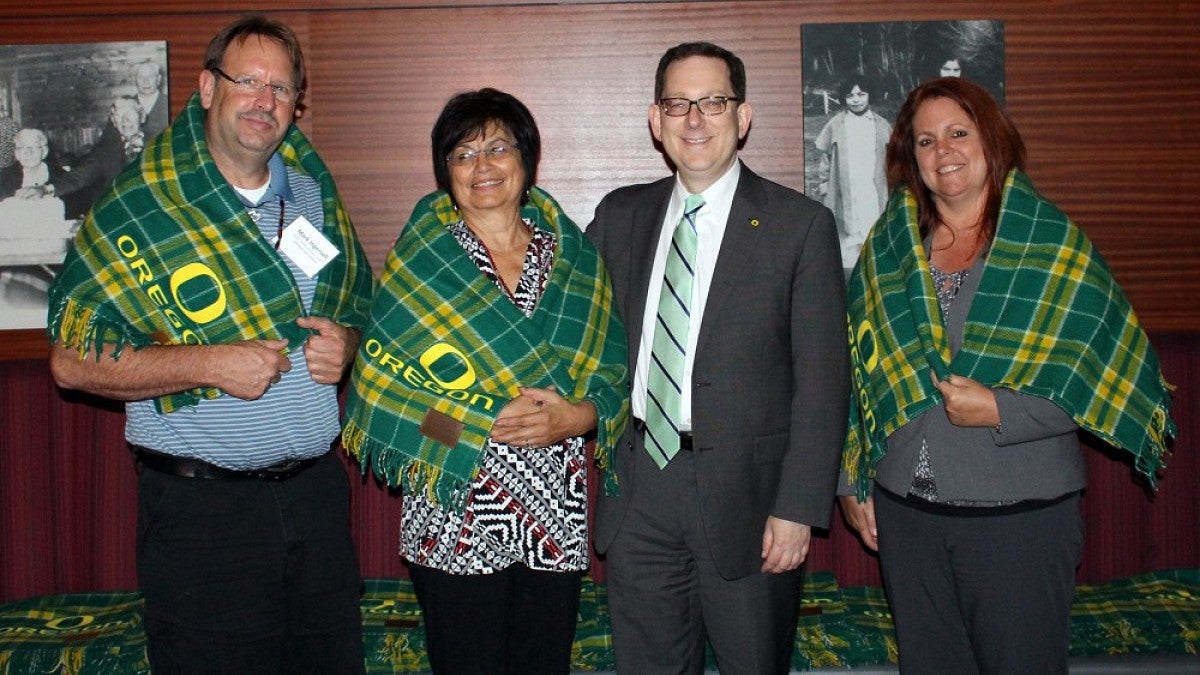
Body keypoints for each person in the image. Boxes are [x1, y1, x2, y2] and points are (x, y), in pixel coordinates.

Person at [47, 15, 375, 674]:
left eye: (282, 89)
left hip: (314, 502)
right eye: (248, 81)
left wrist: (348, 345)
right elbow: (69, 360)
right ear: (205, 88)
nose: (265, 101)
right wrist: (208, 363)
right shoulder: (143, 204)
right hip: (204, 516)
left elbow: (356, 311)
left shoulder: (311, 195)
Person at [838, 77, 1176, 674]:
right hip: (907, 514)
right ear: (909, 159)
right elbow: (856, 370)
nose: (943, 151)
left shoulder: (1047, 243)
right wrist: (852, 479)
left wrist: (1002, 409)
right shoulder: (889, 245)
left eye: (958, 133)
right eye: (925, 140)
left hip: (1019, 519)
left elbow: (1103, 375)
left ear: (992, 141)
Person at [341, 88, 629, 675]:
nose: (483, 166)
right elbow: (380, 398)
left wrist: (575, 418)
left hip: (554, 511)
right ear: (444, 172)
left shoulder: (573, 254)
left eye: (498, 147)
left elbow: (613, 374)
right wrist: (471, 428)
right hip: (454, 512)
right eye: (463, 154)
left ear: (527, 159)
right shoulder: (423, 258)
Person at [586, 42, 849, 674]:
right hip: (640, 489)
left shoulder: (799, 225)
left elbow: (822, 383)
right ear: (657, 120)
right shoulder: (621, 215)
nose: (695, 120)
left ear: (743, 116)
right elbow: (567, 323)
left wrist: (798, 507)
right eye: (678, 103)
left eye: (713, 102)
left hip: (752, 503)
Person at [814, 75, 891, 277]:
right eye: (850, 95)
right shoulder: (836, 124)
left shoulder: (881, 125)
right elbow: (826, 160)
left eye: (861, 94)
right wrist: (824, 184)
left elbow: (891, 162)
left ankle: (872, 277)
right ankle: (847, 280)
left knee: (871, 234)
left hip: (871, 191)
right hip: (844, 190)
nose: (855, 99)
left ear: (869, 95)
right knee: (845, 239)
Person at [39, 96, 145, 218]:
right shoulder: (105, 151)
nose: (125, 120)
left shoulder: (159, 143)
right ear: (114, 122)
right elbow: (79, 176)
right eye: (119, 115)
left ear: (141, 116)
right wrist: (45, 189)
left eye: (130, 113)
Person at [1, 128, 66, 199]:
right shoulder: (4, 176)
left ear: (44, 152)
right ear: (17, 154)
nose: (29, 153)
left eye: (34, 147)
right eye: (23, 147)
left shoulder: (61, 176)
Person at [134, 60, 170, 139]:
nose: (145, 82)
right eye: (140, 77)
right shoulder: (127, 104)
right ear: (136, 80)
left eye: (150, 76)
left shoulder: (168, 102)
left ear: (159, 79)